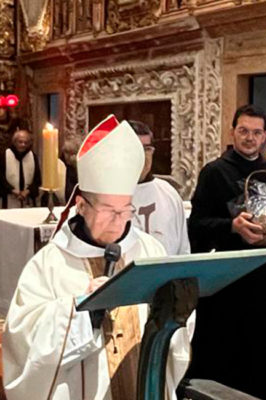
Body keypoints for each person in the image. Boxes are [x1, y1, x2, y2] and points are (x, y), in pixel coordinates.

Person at [2, 115, 192, 400]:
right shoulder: (49, 264)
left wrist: (178, 313)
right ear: (81, 205)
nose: (119, 222)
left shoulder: (150, 251)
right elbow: (22, 343)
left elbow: (175, 341)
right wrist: (82, 310)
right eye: (108, 211)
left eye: (126, 209)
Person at [186, 104, 266, 398]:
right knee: (228, 350)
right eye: (243, 131)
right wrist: (232, 226)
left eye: (256, 132)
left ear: (265, 136)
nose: (249, 138)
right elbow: (197, 225)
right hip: (230, 279)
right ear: (233, 132)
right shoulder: (215, 172)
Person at [128, 120, 190, 255]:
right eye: (135, 148)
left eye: (147, 149)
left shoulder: (169, 193)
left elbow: (183, 251)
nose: (143, 156)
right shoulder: (106, 197)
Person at [0, 129, 41, 208]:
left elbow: (37, 179)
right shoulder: (5, 155)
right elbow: (1, 177)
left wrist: (27, 192)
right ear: (15, 142)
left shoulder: (32, 156)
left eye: (26, 142)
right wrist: (13, 190)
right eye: (20, 142)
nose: (23, 145)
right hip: (9, 198)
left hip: (28, 199)